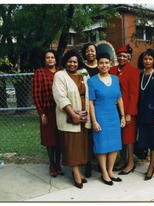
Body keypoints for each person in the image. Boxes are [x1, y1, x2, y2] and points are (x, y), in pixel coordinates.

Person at [52, 50, 91, 189]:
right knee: (72, 147)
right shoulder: (59, 75)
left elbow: (89, 93)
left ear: (78, 62)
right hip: (68, 116)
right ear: (65, 62)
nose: (72, 64)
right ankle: (76, 174)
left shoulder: (83, 74)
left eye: (75, 61)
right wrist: (72, 114)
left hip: (83, 116)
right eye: (70, 61)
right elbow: (60, 97)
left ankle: (79, 172)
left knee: (80, 147)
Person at [88, 52, 126, 186]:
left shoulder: (116, 79)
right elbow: (90, 102)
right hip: (100, 117)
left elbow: (119, 98)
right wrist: (94, 121)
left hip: (113, 117)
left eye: (106, 63)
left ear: (110, 64)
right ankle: (104, 172)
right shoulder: (92, 81)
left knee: (115, 145)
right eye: (101, 63)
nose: (104, 65)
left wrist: (122, 116)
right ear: (97, 65)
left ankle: (110, 171)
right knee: (102, 146)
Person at [32, 50, 63, 178]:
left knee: (60, 138)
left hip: (61, 110)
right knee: (50, 139)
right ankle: (52, 165)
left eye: (52, 57)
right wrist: (41, 113)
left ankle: (58, 163)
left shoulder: (61, 72)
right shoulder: (40, 73)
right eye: (48, 57)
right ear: (45, 60)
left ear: (56, 59)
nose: (50, 59)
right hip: (48, 111)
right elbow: (36, 94)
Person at [109, 44, 140, 175]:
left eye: (124, 56)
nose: (121, 58)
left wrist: (129, 113)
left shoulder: (133, 71)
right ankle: (122, 160)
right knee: (119, 137)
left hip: (127, 109)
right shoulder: (112, 69)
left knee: (128, 138)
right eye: (119, 56)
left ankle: (131, 162)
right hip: (114, 109)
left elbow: (134, 94)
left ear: (128, 57)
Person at [136, 49, 154, 181]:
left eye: (150, 59)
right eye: (145, 59)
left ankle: (151, 168)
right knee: (146, 141)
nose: (147, 61)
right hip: (142, 114)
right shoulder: (140, 75)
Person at [81, 42, 99, 178]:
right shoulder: (81, 68)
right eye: (87, 51)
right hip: (86, 104)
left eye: (92, 50)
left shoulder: (102, 66)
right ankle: (87, 163)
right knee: (87, 136)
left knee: (99, 134)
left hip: (100, 104)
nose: (90, 53)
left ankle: (100, 162)